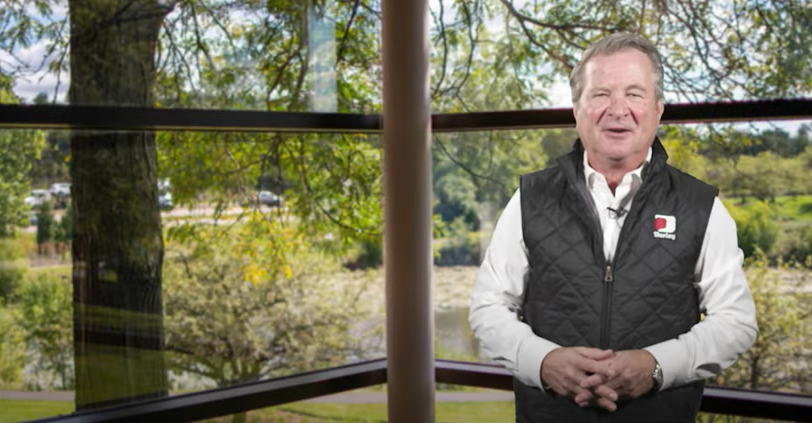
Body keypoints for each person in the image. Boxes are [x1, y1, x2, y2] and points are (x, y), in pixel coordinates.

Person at [468, 32, 758, 423]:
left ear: (658, 109)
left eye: (634, 94)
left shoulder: (701, 206)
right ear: (577, 108)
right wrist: (542, 362)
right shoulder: (529, 197)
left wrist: (656, 365)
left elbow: (735, 322)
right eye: (600, 94)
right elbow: (489, 307)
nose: (617, 109)